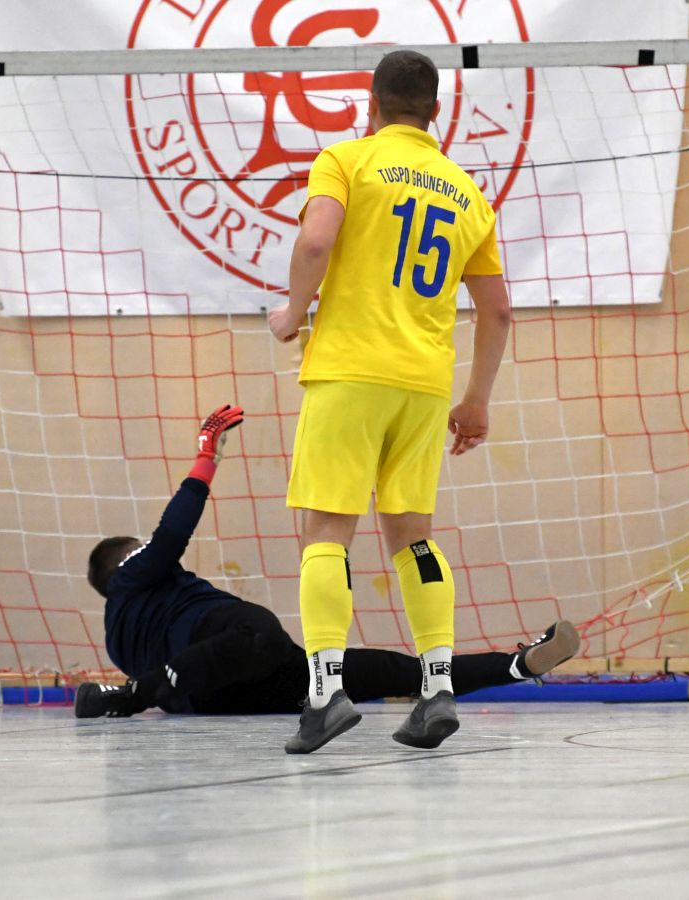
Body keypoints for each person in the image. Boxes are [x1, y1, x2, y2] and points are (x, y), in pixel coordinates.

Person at [266, 49, 513, 753]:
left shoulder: (346, 160)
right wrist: (476, 401)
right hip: (425, 384)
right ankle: (437, 688)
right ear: (435, 112)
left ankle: (325, 693)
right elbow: (498, 312)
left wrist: (292, 313)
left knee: (326, 529)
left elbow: (317, 240)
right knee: (413, 536)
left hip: (350, 372)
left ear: (369, 105)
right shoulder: (466, 192)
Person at [73, 406, 577, 719]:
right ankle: (132, 696)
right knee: (279, 641)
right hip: (242, 644)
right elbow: (171, 534)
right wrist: (207, 456)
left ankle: (516, 665)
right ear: (129, 558)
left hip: (219, 697)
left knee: (391, 673)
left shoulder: (116, 640)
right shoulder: (134, 572)